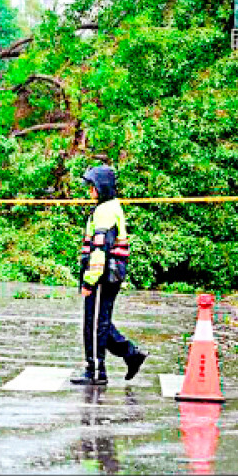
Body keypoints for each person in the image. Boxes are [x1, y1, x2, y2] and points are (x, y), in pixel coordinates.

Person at [71, 164, 147, 385]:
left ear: (101, 187)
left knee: (94, 324)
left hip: (103, 275)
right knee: (101, 322)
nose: (90, 191)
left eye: (92, 186)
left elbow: (99, 250)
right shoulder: (110, 207)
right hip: (109, 274)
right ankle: (131, 354)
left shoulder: (105, 212)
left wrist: (89, 280)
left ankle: (95, 371)